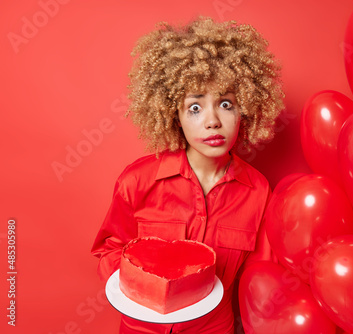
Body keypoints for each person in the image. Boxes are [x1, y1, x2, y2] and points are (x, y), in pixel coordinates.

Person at [91, 16, 285, 334]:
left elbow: (259, 283)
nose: (212, 121)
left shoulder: (259, 191)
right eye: (195, 107)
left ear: (245, 109)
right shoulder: (137, 180)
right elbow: (108, 251)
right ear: (175, 114)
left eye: (226, 104)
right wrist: (145, 281)